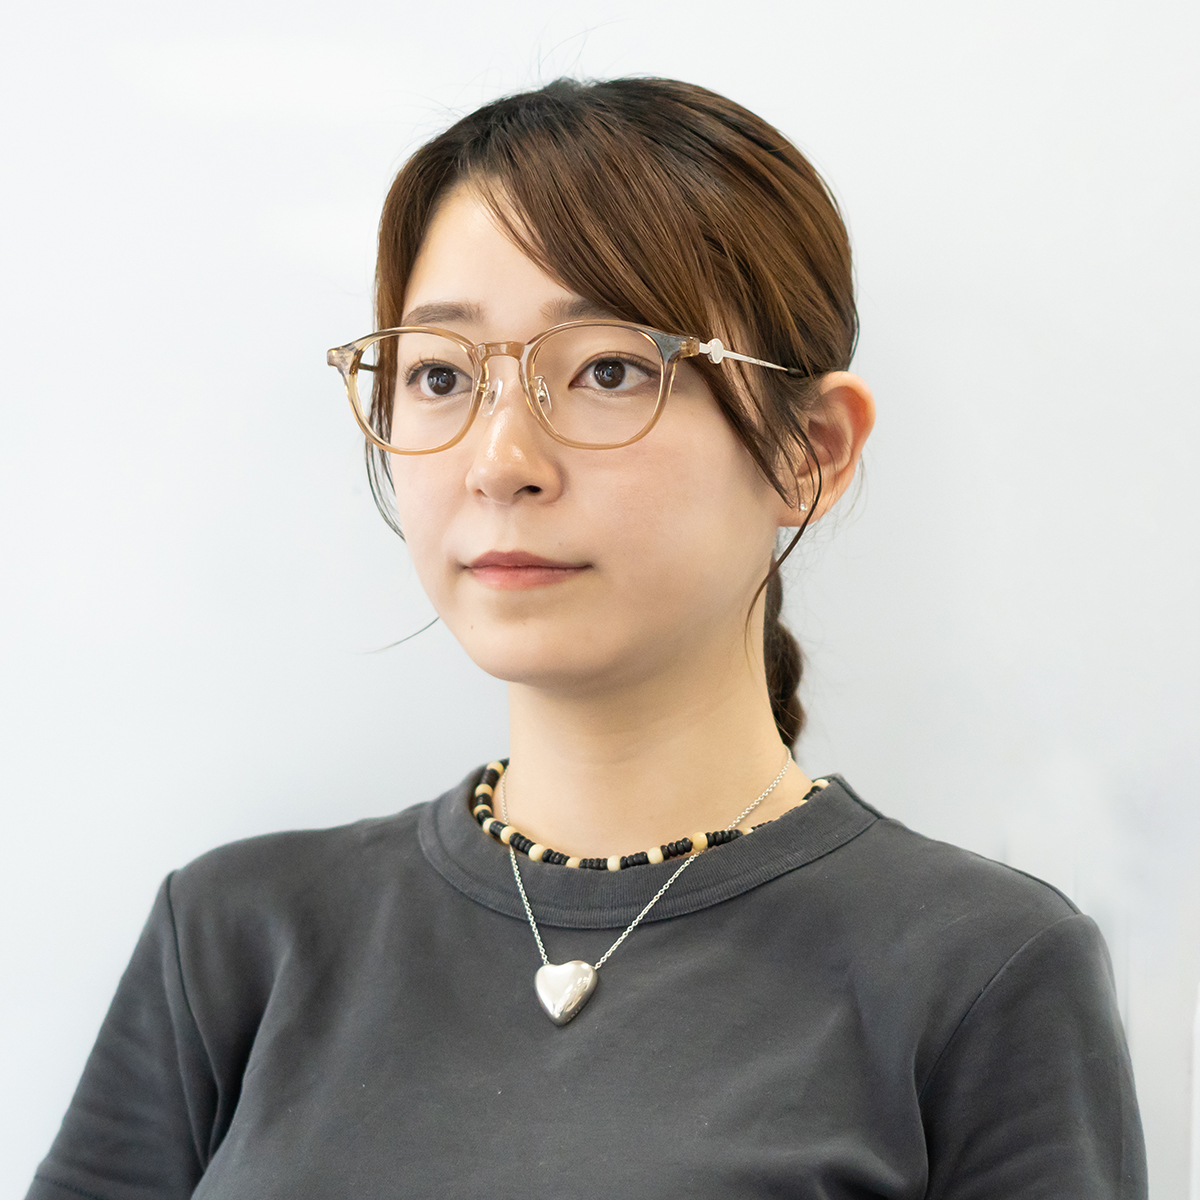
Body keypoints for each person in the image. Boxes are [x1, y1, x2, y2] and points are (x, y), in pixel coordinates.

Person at [27, 77, 1146, 1199]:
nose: (500, 461)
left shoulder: (982, 969)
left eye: (609, 369)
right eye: (440, 375)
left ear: (811, 449)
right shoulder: (231, 938)